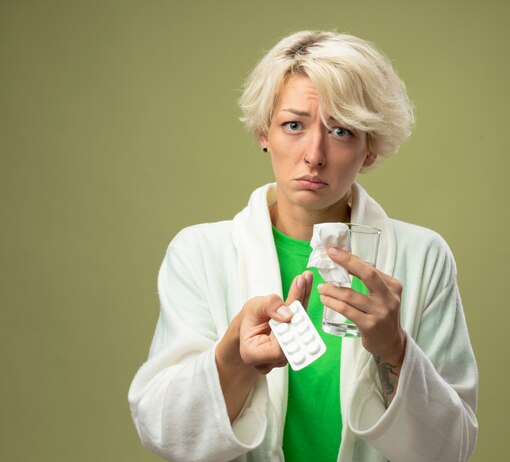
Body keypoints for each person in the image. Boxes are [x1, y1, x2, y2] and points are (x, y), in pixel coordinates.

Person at [128, 30, 478, 462]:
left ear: (369, 150)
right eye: (294, 125)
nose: (314, 154)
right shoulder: (200, 253)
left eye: (342, 131)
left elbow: (450, 450)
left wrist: (394, 349)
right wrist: (235, 358)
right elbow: (167, 435)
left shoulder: (423, 256)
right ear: (263, 132)